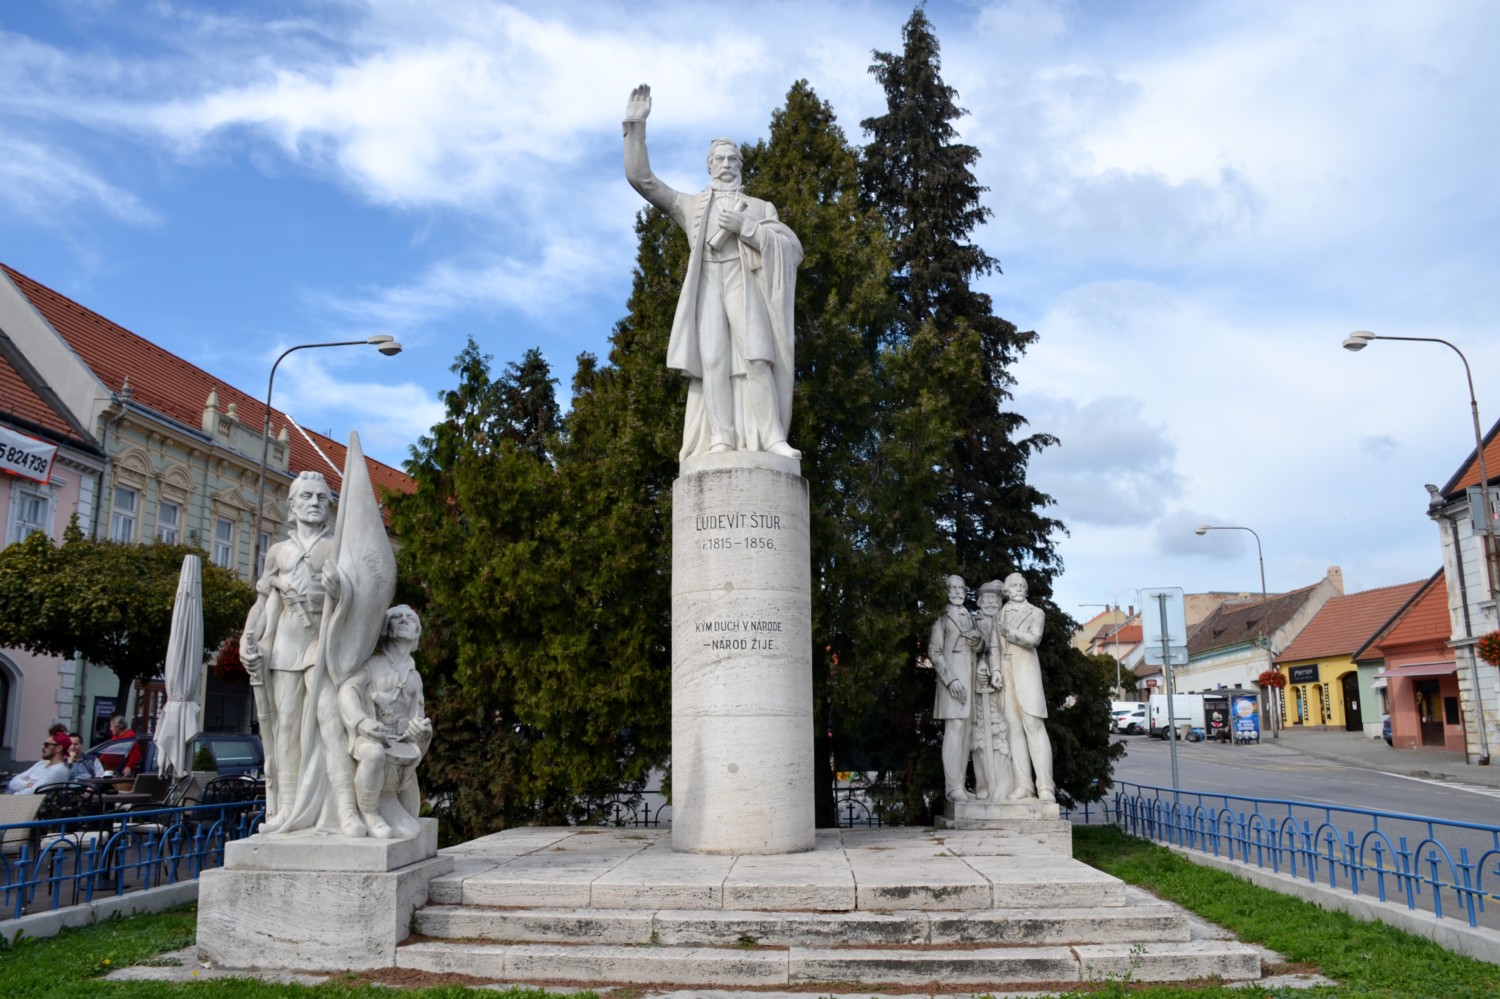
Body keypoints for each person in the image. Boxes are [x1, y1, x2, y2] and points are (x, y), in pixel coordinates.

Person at [623, 83, 804, 461]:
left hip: (743, 281)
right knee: (714, 362)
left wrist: (746, 228)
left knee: (757, 357)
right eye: (719, 159)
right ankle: (721, 437)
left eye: (732, 159)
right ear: (709, 165)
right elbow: (643, 180)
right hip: (707, 282)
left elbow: (792, 249)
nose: (726, 164)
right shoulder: (689, 205)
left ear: (740, 165)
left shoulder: (759, 207)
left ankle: (772, 436)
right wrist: (635, 127)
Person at [241, 471, 362, 835]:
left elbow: (359, 600)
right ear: (291, 506)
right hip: (285, 646)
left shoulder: (338, 547)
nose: (314, 503)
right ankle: (287, 808)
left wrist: (340, 589)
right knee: (287, 726)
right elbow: (263, 603)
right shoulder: (278, 552)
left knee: (331, 721)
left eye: (322, 497)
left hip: (323, 644)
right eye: (306, 496)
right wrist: (248, 637)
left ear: (330, 506)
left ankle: (346, 809)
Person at [338, 605, 433, 839]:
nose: (404, 620)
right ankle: (370, 813)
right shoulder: (373, 665)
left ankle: (393, 805)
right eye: (397, 617)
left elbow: (417, 717)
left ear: (417, 632)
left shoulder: (415, 676)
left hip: (400, 743)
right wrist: (362, 722)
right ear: (386, 628)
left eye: (410, 618)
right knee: (374, 754)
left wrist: (421, 730)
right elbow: (348, 690)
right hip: (371, 737)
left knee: (411, 822)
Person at [994, 573, 1056, 803]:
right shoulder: (999, 615)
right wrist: (996, 670)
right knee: (1013, 729)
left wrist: (1011, 634)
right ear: (1006, 590)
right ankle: (1023, 785)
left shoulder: (1036, 612)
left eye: (1022, 585)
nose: (1019, 588)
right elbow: (994, 645)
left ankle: (1046, 787)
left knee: (1035, 726)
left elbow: (1034, 639)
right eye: (1014, 585)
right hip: (1006, 673)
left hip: (1027, 673)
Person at [928, 575, 983, 802]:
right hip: (951, 681)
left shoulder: (969, 616)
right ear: (946, 591)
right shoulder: (941, 616)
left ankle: (960, 785)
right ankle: (952, 787)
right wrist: (951, 681)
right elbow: (934, 652)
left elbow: (978, 647)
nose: (958, 592)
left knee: (966, 733)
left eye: (961, 588)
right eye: (953, 588)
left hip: (969, 679)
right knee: (955, 729)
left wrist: (977, 641)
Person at [972, 580, 1013, 802]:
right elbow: (974, 650)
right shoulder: (974, 623)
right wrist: (981, 662)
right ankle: (984, 784)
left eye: (995, 599)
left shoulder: (1005, 621)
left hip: (1004, 685)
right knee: (980, 736)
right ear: (979, 601)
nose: (990, 603)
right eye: (986, 599)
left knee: (1003, 734)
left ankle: (1005, 784)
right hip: (980, 686)